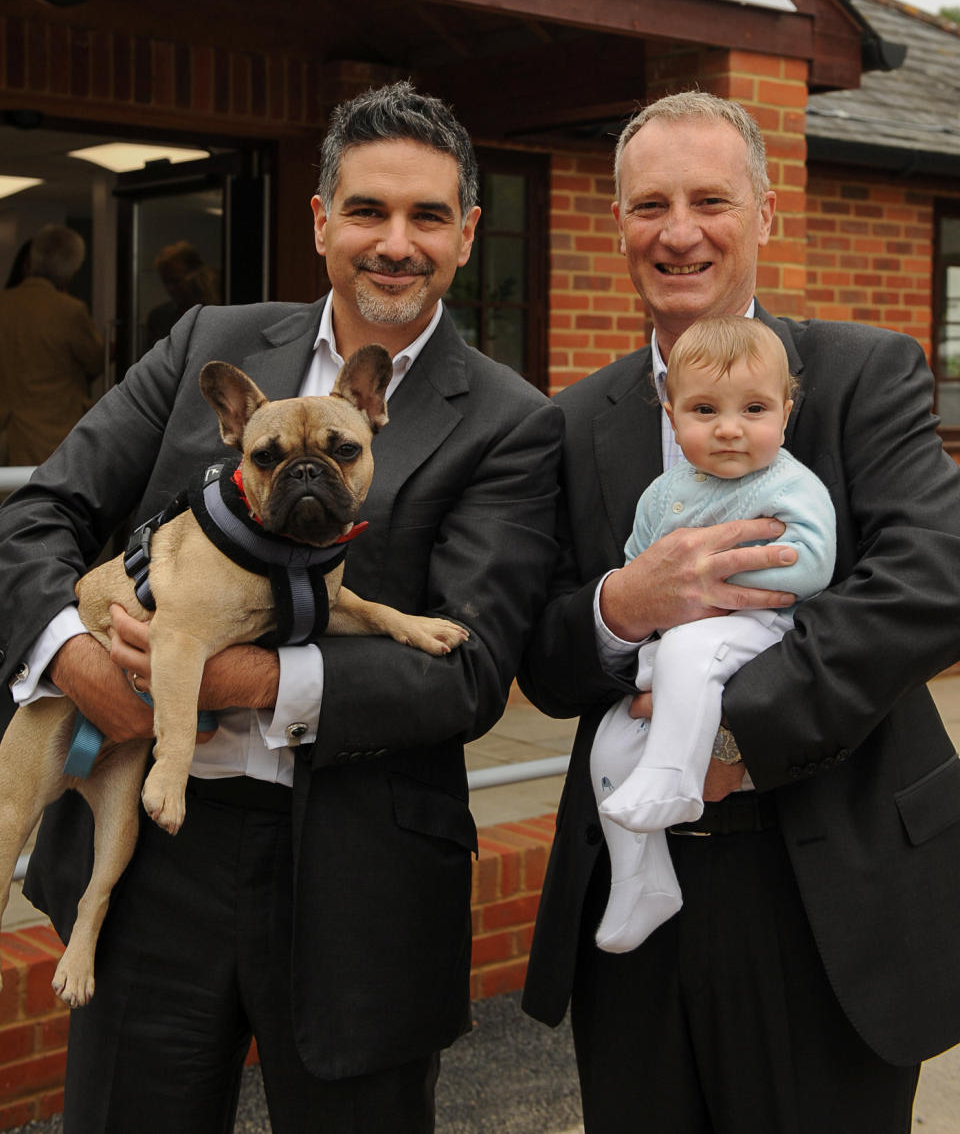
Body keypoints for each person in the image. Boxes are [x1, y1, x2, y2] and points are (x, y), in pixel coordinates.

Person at [0, 81, 562, 1134]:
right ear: (319, 220)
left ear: (467, 233)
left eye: (428, 216)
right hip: (155, 863)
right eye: (367, 211)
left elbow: (471, 668)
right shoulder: (206, 343)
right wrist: (79, 662)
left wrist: (230, 680)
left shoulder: (512, 419)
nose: (395, 243)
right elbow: (43, 515)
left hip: (359, 876)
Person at [520, 90, 960, 1134]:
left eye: (710, 199)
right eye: (649, 205)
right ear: (616, 222)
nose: (678, 232)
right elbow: (539, 654)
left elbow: (934, 577)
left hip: (828, 886)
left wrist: (727, 734)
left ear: (764, 214)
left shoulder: (864, 372)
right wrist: (618, 607)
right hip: (636, 907)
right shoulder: (572, 421)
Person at [590, 315, 836, 953]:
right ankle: (640, 880)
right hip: (675, 645)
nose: (729, 427)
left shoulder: (788, 482)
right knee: (611, 742)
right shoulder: (661, 493)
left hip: (762, 628)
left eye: (753, 408)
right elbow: (638, 566)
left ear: (786, 411)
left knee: (694, 650)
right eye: (705, 409)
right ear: (671, 414)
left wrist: (707, 575)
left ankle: (674, 778)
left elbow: (812, 562)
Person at [0, 223, 104, 466]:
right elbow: (95, 361)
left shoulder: (3, 304)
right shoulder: (69, 310)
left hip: (7, 431)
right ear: (73, 266)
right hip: (54, 432)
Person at [145, 239, 221, 347]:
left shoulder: (216, 311)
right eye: (166, 282)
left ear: (195, 275)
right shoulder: (160, 318)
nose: (170, 289)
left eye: (176, 281)